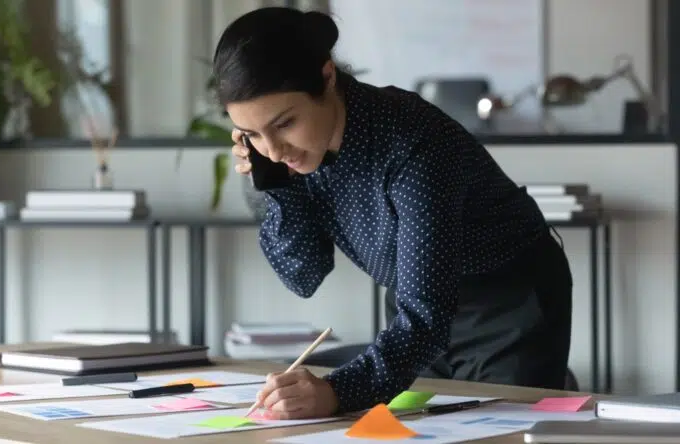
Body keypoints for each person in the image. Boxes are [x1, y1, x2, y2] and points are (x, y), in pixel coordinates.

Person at [213, 7, 573, 419]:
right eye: (253, 134)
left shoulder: (413, 141)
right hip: (415, 310)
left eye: (284, 124)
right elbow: (303, 274)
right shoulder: (286, 157)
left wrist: (334, 392)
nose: (274, 150)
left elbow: (426, 320)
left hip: (507, 303)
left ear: (327, 77)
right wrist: (274, 185)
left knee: (496, 433)